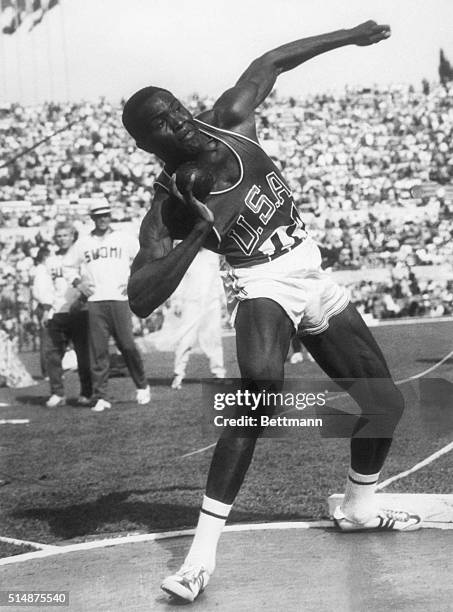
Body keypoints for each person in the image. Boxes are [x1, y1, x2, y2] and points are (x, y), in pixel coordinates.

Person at [122, 21, 421, 603]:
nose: (176, 120)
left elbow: (272, 61)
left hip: (309, 269)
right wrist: (194, 239)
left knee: (385, 403)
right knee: (255, 398)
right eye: (160, 122)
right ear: (145, 143)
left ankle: (359, 509)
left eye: (175, 108)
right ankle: (197, 561)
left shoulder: (231, 119)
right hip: (261, 282)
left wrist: (352, 35)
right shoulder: (170, 206)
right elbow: (139, 296)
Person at [72, 199, 151, 412]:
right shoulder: (83, 243)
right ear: (92, 218)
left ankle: (142, 386)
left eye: (106, 215)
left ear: (110, 215)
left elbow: (143, 259)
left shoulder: (123, 238)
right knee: (98, 351)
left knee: (127, 345)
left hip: (118, 298)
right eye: (98, 216)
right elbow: (67, 266)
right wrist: (79, 283)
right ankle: (101, 396)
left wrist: (133, 282)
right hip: (95, 301)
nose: (103, 219)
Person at [32, 221, 92, 407]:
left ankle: (87, 393)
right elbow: (44, 288)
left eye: (65, 235)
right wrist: (46, 309)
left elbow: (90, 282)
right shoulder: (50, 261)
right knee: (52, 355)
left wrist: (82, 301)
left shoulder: (83, 258)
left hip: (79, 310)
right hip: (57, 312)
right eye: (59, 236)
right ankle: (57, 393)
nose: (62, 239)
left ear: (73, 235)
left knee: (84, 355)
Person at [170, 248, 226, 389]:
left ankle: (219, 373)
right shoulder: (185, 254)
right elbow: (178, 279)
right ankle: (178, 374)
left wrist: (223, 300)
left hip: (211, 302)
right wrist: (176, 301)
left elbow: (217, 278)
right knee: (185, 339)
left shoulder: (213, 254)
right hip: (191, 303)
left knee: (213, 338)